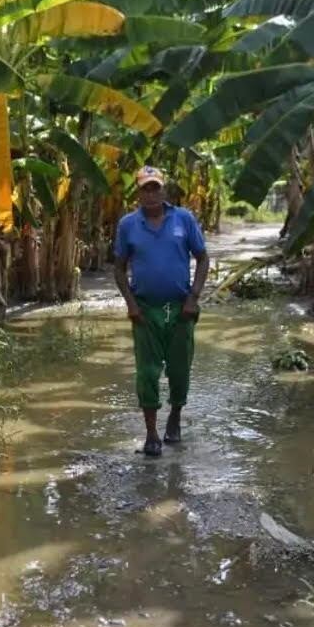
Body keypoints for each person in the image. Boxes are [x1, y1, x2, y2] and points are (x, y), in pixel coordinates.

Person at [113, 166, 209, 457]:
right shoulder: (128, 225)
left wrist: (193, 297)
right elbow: (119, 268)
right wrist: (130, 304)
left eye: (156, 188)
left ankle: (175, 415)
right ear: (138, 193)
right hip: (145, 311)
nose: (151, 193)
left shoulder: (184, 219)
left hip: (181, 309)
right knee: (147, 374)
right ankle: (152, 433)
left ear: (164, 190)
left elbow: (203, 258)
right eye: (145, 188)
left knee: (180, 370)